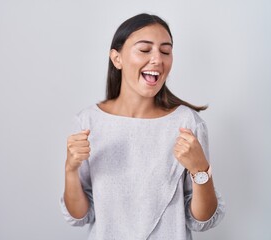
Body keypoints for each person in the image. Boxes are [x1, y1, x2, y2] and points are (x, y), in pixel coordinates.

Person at [60, 13, 225, 240]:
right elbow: (80, 215)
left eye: (165, 51)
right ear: (117, 59)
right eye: (145, 50)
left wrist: (200, 170)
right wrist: (70, 169)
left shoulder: (187, 124)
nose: (157, 59)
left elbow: (202, 220)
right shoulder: (88, 122)